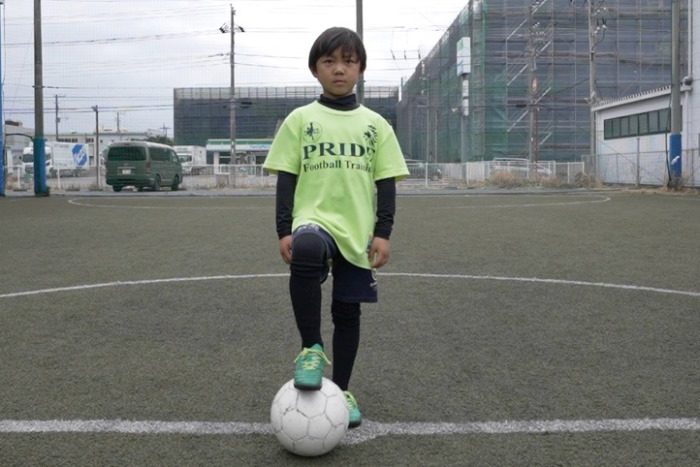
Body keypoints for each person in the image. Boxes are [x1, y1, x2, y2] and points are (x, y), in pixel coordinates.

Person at [263, 26, 409, 428]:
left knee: (347, 312)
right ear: (315, 69)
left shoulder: (376, 125)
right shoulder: (300, 120)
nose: (339, 69)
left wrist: (383, 232)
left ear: (360, 69)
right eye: (329, 61)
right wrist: (283, 229)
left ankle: (341, 389)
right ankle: (311, 349)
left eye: (348, 61)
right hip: (313, 221)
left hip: (358, 232)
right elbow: (286, 178)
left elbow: (386, 183)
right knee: (308, 251)